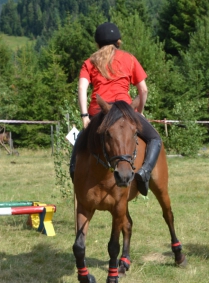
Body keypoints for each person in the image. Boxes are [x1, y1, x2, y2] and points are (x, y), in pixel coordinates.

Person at [69, 22, 162, 196]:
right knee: (155, 138)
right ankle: (144, 172)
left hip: (99, 113)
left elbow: (82, 88)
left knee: (81, 141)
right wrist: (139, 112)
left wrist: (84, 116)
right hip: (125, 112)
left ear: (97, 44)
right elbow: (143, 89)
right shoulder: (130, 59)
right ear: (118, 42)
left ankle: (74, 171)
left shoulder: (89, 62)